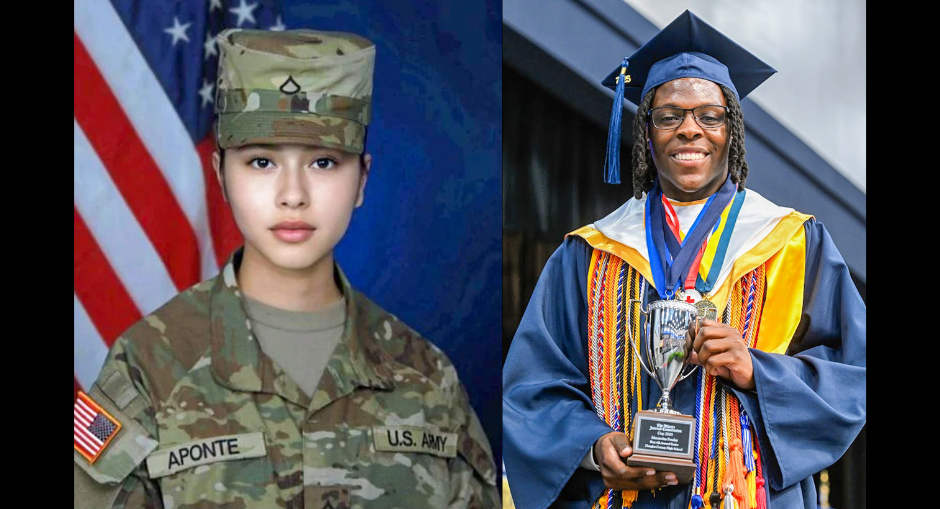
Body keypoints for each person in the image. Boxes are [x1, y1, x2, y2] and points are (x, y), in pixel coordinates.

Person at [73, 28, 499, 509]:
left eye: (323, 162)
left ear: (362, 179)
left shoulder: (427, 377)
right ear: (220, 176)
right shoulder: (146, 367)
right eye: (261, 162)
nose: (293, 194)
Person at [502, 10, 865, 509]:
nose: (689, 129)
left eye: (709, 116)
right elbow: (532, 386)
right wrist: (590, 448)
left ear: (730, 131)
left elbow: (853, 373)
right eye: (669, 115)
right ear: (647, 133)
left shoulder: (793, 243)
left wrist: (758, 371)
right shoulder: (589, 252)